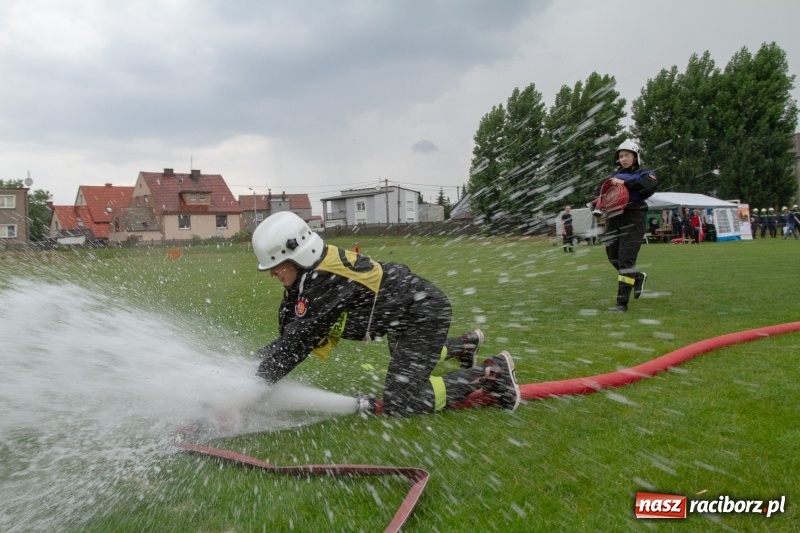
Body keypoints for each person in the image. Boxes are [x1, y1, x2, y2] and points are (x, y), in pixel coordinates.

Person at [250, 211, 521, 417]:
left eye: (277, 265)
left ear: (298, 255)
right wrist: (246, 372)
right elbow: (289, 335)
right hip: (407, 314)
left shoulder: (323, 280)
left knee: (400, 401)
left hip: (422, 313)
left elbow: (296, 345)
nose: (273, 272)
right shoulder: (310, 275)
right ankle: (464, 345)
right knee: (409, 357)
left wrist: (249, 390)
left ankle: (492, 373)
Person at [594, 139, 657, 313]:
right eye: (621, 156)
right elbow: (602, 192)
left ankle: (621, 304)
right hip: (614, 217)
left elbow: (649, 187)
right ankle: (637, 277)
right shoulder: (613, 177)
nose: (623, 159)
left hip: (634, 216)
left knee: (626, 261)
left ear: (635, 156)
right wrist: (595, 203)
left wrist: (626, 183)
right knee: (613, 257)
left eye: (626, 155)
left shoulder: (646, 174)